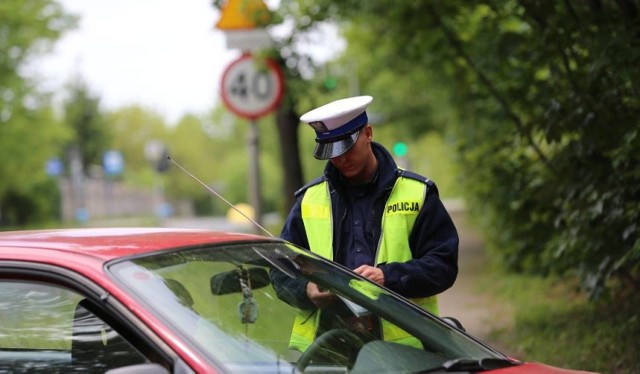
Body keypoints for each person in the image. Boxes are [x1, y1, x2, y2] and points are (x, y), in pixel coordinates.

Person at [272, 95, 459, 352]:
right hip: (327, 352)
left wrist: (387, 277)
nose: (340, 160)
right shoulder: (308, 200)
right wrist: (306, 290)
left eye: (346, 149)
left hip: (406, 354)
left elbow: (443, 266)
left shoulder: (418, 194)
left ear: (368, 133)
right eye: (331, 152)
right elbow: (279, 270)